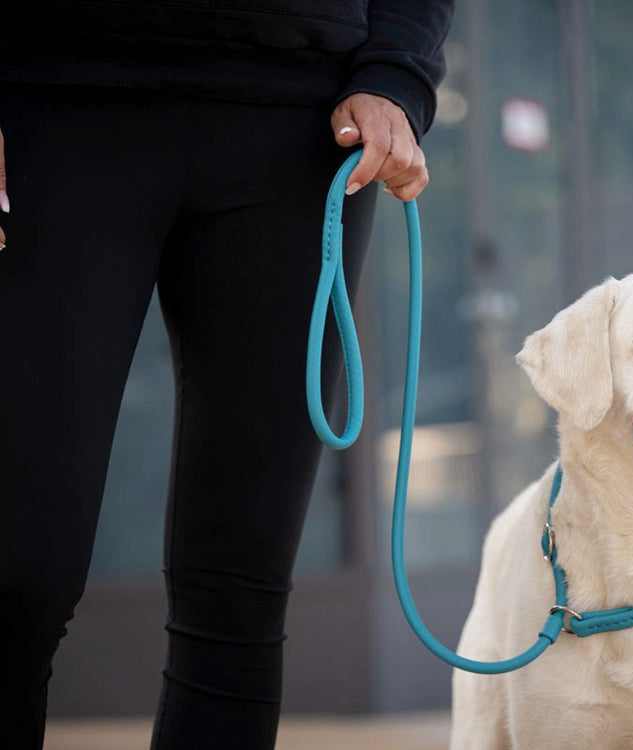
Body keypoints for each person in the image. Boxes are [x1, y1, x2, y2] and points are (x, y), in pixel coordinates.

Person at [0, 2, 453, 747]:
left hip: (305, 128)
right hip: (50, 105)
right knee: (15, 572)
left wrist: (396, 76)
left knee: (240, 587)